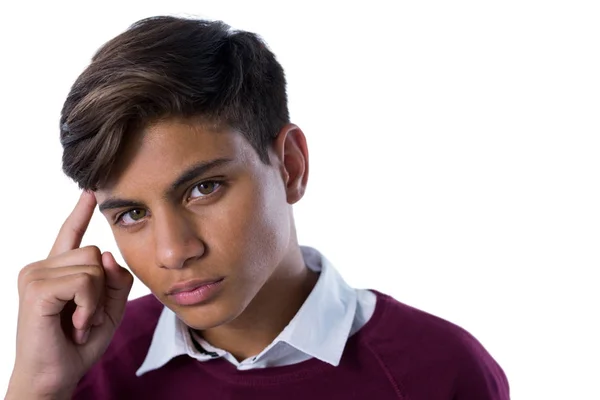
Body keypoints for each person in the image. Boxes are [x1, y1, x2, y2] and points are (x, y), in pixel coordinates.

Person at [6, 15, 510, 400]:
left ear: (289, 165)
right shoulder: (82, 369)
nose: (174, 251)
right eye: (132, 214)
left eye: (203, 188)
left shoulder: (438, 371)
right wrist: (36, 387)